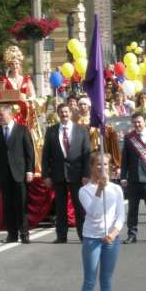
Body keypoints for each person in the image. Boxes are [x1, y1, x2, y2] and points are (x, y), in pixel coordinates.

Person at [78, 153, 125, 291]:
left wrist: (113, 233)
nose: (102, 167)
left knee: (106, 280)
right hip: (91, 238)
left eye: (105, 164)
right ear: (92, 166)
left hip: (110, 239)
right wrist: (99, 190)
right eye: (98, 164)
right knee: (89, 280)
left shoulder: (116, 189)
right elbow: (93, 212)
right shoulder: (85, 191)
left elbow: (120, 215)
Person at [41, 101, 91, 242]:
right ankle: (61, 236)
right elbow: (45, 155)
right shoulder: (51, 131)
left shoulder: (81, 130)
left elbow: (87, 154)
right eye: (61, 112)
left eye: (66, 112)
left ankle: (83, 235)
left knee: (79, 207)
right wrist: (46, 175)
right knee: (60, 208)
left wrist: (86, 174)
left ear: (71, 113)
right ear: (58, 114)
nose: (64, 114)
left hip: (77, 175)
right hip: (58, 174)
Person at [0, 104, 36, 244]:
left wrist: (30, 170)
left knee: (21, 205)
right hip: (3, 175)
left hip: (19, 173)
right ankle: (12, 234)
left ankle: (24, 233)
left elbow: (29, 152)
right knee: (8, 206)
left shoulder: (22, 129)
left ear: (10, 114)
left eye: (1, 115)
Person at [120, 113, 146, 243]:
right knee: (132, 210)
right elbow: (125, 160)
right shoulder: (129, 138)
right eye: (135, 122)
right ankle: (132, 234)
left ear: (145, 121)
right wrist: (123, 177)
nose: (137, 124)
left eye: (139, 122)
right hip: (133, 179)